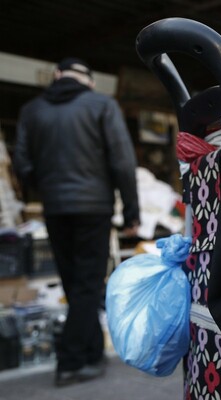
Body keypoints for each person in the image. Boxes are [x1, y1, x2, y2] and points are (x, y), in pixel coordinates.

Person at [14, 58, 140, 386]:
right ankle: (70, 362)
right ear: (90, 82)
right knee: (87, 284)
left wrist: (49, 187)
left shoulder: (32, 110)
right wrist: (131, 212)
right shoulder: (102, 104)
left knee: (74, 283)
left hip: (55, 208)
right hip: (93, 207)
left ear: (57, 76)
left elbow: (22, 164)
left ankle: (91, 352)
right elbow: (123, 161)